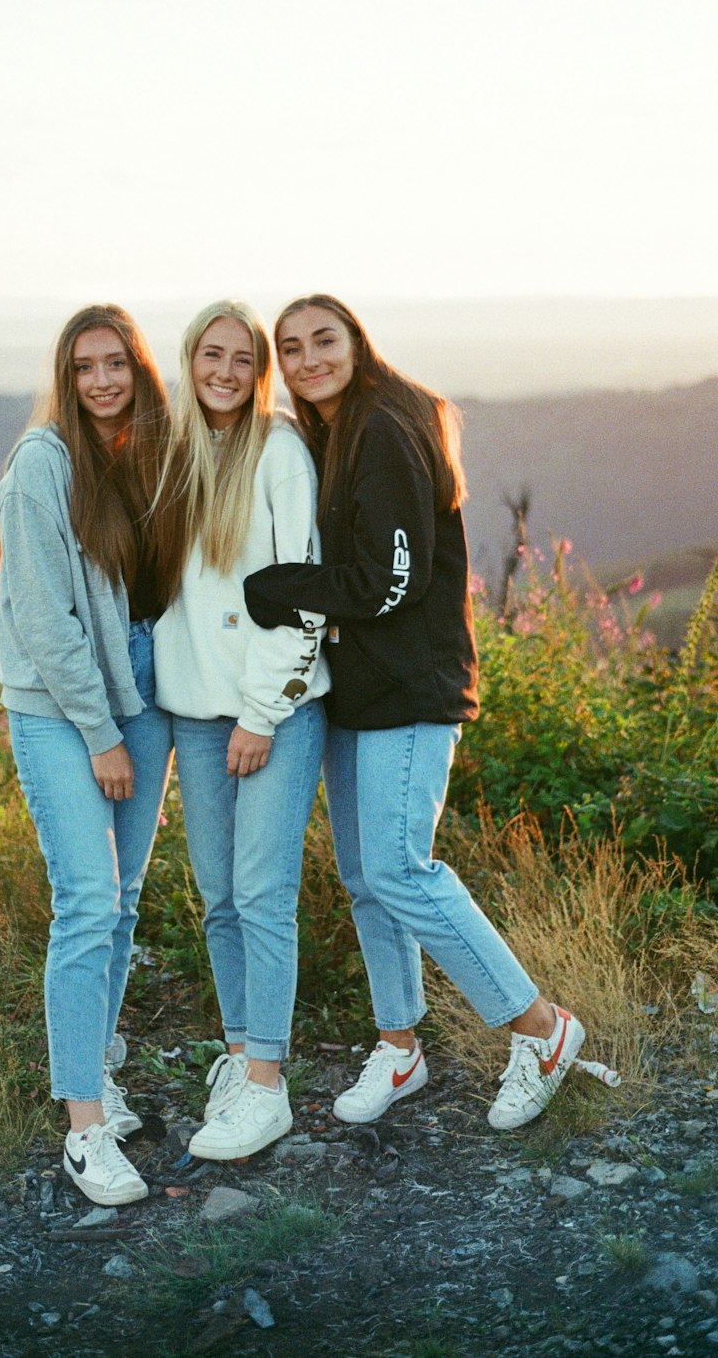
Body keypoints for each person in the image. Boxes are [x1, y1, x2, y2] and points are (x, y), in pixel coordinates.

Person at [243, 294, 585, 1131]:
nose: (308, 358)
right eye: (291, 348)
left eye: (324, 340)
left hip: (411, 688)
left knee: (400, 870)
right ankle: (402, 1047)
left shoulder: (387, 430)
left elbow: (388, 583)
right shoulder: (338, 431)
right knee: (368, 881)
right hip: (361, 692)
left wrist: (275, 589)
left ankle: (542, 1029)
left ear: (357, 343)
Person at [0, 304, 173, 1205]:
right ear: (65, 378)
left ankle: (99, 1077)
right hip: (63, 707)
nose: (103, 381)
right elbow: (43, 619)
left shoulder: (143, 455)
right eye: (86, 367)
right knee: (87, 901)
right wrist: (101, 733)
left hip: (140, 690)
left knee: (124, 901)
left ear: (139, 371)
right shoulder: (42, 464)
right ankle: (84, 1131)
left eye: (118, 364)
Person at [152, 300, 330, 1159]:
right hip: (193, 712)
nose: (224, 371)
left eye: (241, 358)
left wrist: (263, 716)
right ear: (188, 361)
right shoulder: (175, 453)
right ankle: (237, 1053)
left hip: (276, 712)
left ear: (259, 370)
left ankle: (269, 1084)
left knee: (262, 895)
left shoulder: (280, 454)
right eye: (209, 355)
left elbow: (303, 593)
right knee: (220, 896)